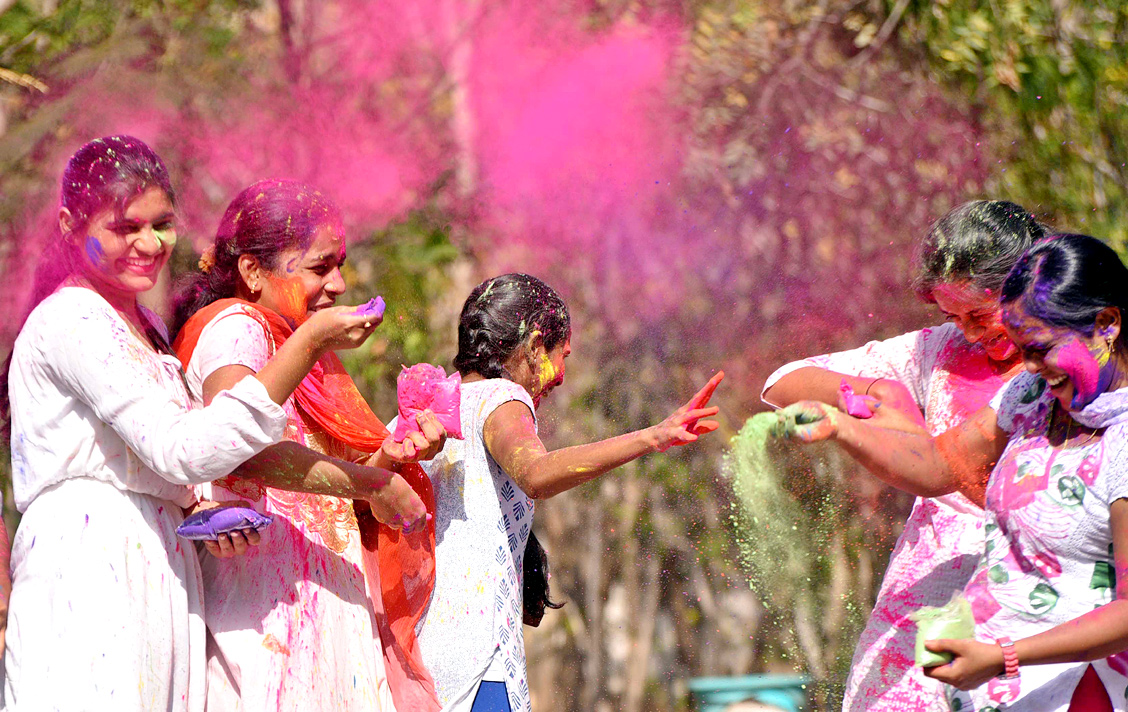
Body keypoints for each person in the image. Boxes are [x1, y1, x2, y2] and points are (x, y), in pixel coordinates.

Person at [1, 136, 382, 711]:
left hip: (160, 574)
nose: (149, 243)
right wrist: (307, 342)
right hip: (86, 569)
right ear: (68, 226)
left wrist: (202, 512)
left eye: (162, 224)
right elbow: (182, 449)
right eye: (126, 227)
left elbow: (173, 466)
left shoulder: (149, 328)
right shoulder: (71, 320)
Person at [785, 234, 1128, 711]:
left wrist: (1002, 656)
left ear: (1106, 324)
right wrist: (841, 429)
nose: (1027, 366)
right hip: (1003, 688)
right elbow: (944, 466)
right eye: (1022, 348)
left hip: (1080, 691)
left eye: (1041, 348)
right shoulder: (1035, 396)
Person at [761, 200, 1046, 710]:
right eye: (953, 317)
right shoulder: (938, 351)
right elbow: (782, 382)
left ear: (1030, 283)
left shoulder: (1068, 364)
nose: (971, 334)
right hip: (930, 592)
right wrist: (878, 393)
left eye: (980, 315)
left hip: (1036, 584)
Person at [172, 179, 443, 712]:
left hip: (312, 617)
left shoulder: (298, 348)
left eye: (340, 263)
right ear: (253, 272)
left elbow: (322, 495)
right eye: (321, 267)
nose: (340, 284)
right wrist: (374, 481)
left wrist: (390, 457)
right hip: (267, 624)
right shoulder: (238, 325)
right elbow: (240, 446)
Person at [416, 273, 722, 712]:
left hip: (418, 659)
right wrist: (653, 436)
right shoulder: (502, 399)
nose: (560, 375)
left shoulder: (429, 406)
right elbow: (537, 473)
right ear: (536, 344)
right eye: (563, 355)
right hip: (477, 663)